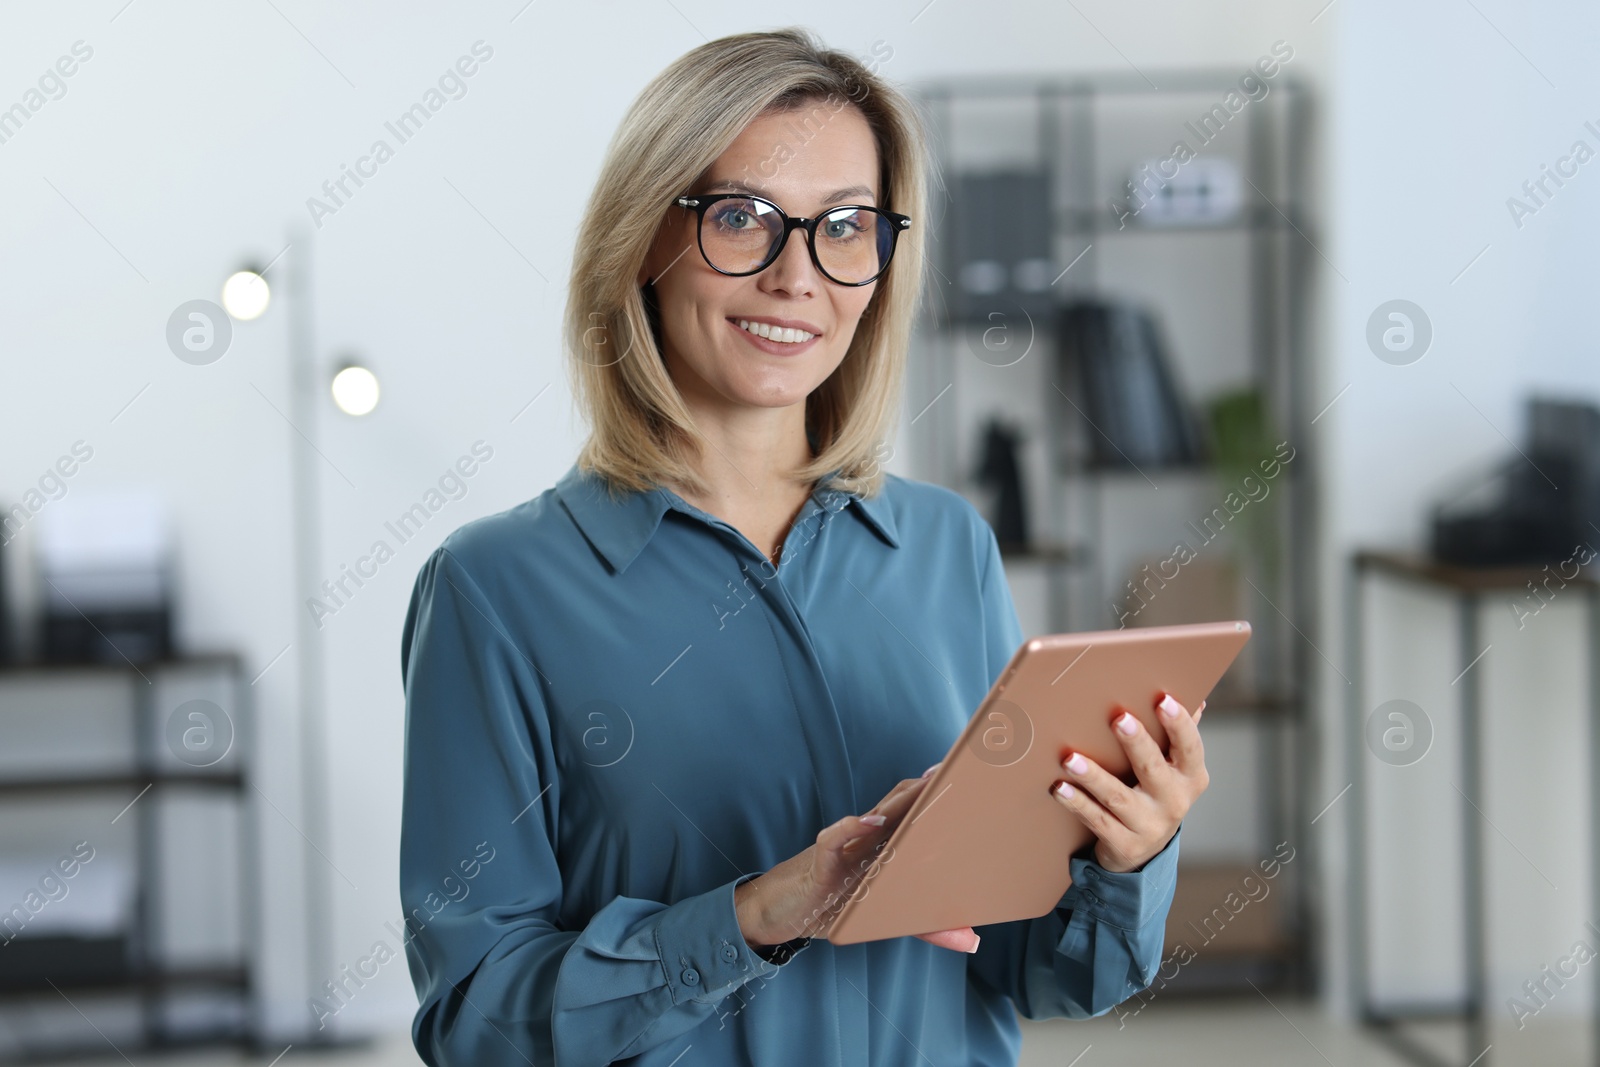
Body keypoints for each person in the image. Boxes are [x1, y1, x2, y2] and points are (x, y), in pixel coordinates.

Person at [398, 26, 1209, 1067]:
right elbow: (475, 1018)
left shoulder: (943, 545)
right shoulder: (494, 589)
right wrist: (758, 910)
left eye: (844, 225)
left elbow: (1037, 970)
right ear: (646, 237)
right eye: (740, 217)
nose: (797, 276)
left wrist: (1126, 856)